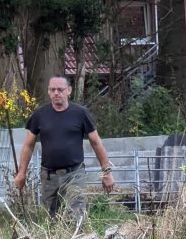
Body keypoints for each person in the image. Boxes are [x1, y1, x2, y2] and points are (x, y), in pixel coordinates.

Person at [13, 75, 114, 221]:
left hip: (74, 175)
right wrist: (21, 173)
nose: (56, 93)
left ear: (69, 91)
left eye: (60, 89)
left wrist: (107, 173)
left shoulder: (80, 114)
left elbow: (96, 143)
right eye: (52, 89)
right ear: (48, 92)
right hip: (49, 177)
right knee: (49, 219)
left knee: (76, 217)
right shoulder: (39, 115)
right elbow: (28, 145)